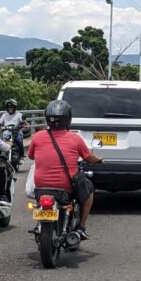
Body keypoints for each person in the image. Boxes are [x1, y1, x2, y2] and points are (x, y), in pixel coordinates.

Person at [28, 99, 103, 240]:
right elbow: (89, 158)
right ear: (68, 119)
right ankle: (81, 226)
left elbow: (31, 156)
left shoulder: (37, 137)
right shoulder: (75, 138)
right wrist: (99, 160)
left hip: (40, 188)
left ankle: (40, 223)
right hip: (65, 187)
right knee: (89, 189)